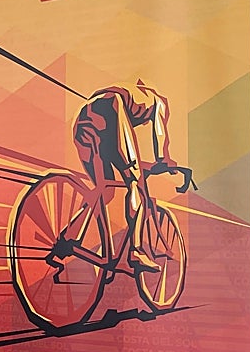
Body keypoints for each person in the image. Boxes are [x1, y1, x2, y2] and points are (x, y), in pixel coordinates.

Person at [72, 79, 176, 273]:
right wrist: (164, 160)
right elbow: (159, 133)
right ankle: (136, 250)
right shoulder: (158, 98)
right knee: (135, 183)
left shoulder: (133, 90)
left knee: (105, 191)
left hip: (84, 118)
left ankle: (70, 235)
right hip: (112, 107)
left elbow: (117, 150)